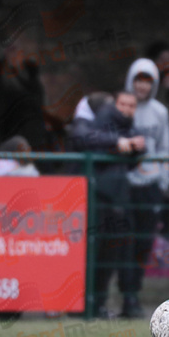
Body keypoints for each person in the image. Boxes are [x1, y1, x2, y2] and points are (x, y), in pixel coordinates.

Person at [68, 91, 145, 318]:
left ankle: (99, 304)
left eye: (130, 105)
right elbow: (82, 137)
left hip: (116, 200)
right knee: (90, 255)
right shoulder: (94, 122)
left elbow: (136, 149)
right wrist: (117, 143)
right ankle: (84, 305)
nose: (124, 109)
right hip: (94, 200)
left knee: (110, 256)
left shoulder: (126, 126)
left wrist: (135, 147)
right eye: (119, 104)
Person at [125, 59, 169, 318]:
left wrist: (163, 182)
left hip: (150, 185)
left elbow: (165, 149)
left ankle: (134, 294)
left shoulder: (160, 112)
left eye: (147, 80)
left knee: (144, 242)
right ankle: (125, 295)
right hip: (127, 184)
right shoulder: (124, 107)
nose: (142, 85)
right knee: (124, 243)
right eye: (138, 79)